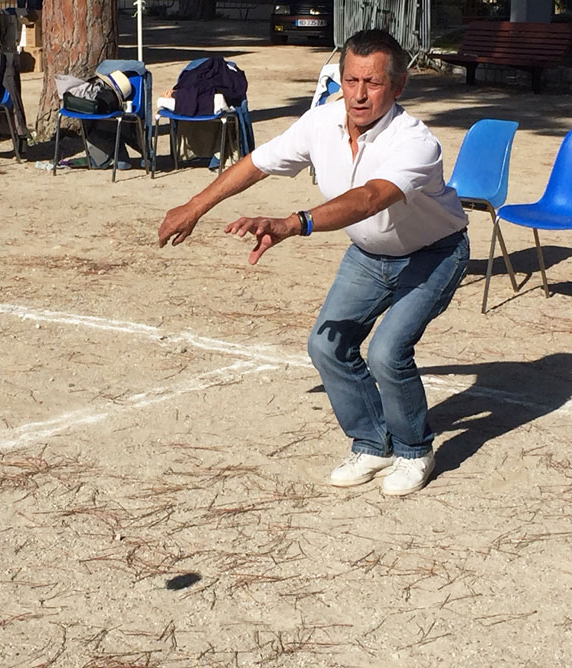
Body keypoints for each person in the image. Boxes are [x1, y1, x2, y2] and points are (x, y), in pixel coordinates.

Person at [158, 30, 469, 496]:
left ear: (398, 87)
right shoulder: (320, 123)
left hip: (433, 254)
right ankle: (372, 443)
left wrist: (293, 223)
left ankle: (412, 449)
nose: (359, 94)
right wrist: (194, 206)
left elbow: (368, 200)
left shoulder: (414, 142)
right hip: (370, 254)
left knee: (387, 352)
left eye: (374, 82)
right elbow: (257, 163)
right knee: (328, 347)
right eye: (350, 80)